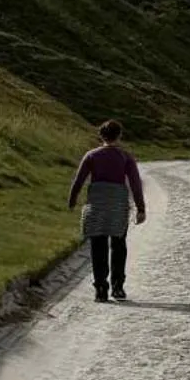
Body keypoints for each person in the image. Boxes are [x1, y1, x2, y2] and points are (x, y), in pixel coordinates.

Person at [69, 120, 146, 303]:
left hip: (97, 203)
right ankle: (118, 287)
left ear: (101, 135)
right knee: (118, 245)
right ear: (119, 135)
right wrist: (140, 208)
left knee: (98, 245)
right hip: (118, 204)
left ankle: (101, 288)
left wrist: (72, 200)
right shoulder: (125, 157)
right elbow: (135, 183)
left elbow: (79, 180)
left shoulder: (91, 155)